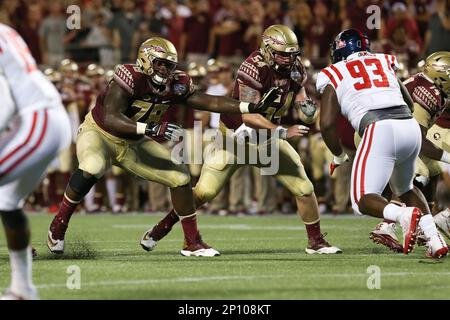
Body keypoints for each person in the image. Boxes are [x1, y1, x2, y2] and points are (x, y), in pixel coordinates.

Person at [47, 37, 278, 257]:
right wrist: (150, 129)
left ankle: (191, 241)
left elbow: (211, 101)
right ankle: (59, 225)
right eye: (159, 64)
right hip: (99, 133)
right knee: (93, 165)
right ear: (146, 60)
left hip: (134, 143)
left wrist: (249, 107)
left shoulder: (176, 83)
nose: (164, 70)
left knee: (180, 177)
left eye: (169, 65)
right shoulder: (129, 75)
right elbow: (111, 117)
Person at [141, 25, 342, 255]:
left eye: (291, 54)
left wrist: (306, 108)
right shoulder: (253, 68)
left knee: (305, 188)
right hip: (236, 138)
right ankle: (161, 230)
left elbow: (300, 97)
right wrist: (283, 131)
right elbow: (249, 116)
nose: (288, 59)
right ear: (267, 50)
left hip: (268, 139)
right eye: (283, 54)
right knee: (204, 192)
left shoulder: (295, 68)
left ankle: (316, 242)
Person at [318, 29, 447, 259]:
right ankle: (434, 240)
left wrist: (337, 155)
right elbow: (407, 99)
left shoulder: (334, 72)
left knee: (361, 201)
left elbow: (326, 124)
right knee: (405, 188)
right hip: (409, 126)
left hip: (378, 128)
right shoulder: (383, 60)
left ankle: (401, 216)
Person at [0, 23, 71, 299]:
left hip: (37, 119)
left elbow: (5, 100)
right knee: (7, 202)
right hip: (46, 117)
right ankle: (22, 288)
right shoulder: (5, 30)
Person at [370, 51, 450, 249]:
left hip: (390, 129)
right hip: (380, 131)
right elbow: (420, 141)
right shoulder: (430, 93)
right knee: (417, 172)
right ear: (441, 75)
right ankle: (387, 225)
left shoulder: (428, 85)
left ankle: (426, 223)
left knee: (433, 169)